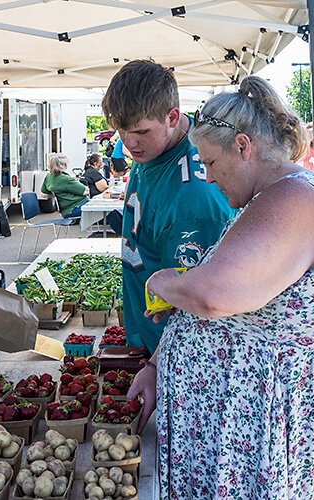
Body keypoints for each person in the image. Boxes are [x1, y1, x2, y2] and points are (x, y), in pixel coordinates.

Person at [128, 75, 314, 498]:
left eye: (211, 163)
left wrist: (165, 282)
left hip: (271, 424)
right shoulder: (273, 198)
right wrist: (156, 366)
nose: (206, 177)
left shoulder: (293, 200)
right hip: (248, 425)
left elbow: (215, 295)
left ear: (243, 146)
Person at [101, 60, 234, 353]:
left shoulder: (195, 198)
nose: (129, 142)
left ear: (172, 117)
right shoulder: (153, 149)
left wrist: (156, 363)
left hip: (172, 353)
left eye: (141, 132)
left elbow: (197, 310)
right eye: (121, 131)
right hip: (148, 338)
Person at [40, 153, 89, 217]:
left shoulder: (49, 177)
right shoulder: (65, 179)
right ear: (65, 165)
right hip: (74, 208)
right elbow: (86, 191)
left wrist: (57, 192)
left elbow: (44, 194)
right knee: (102, 209)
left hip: (65, 210)